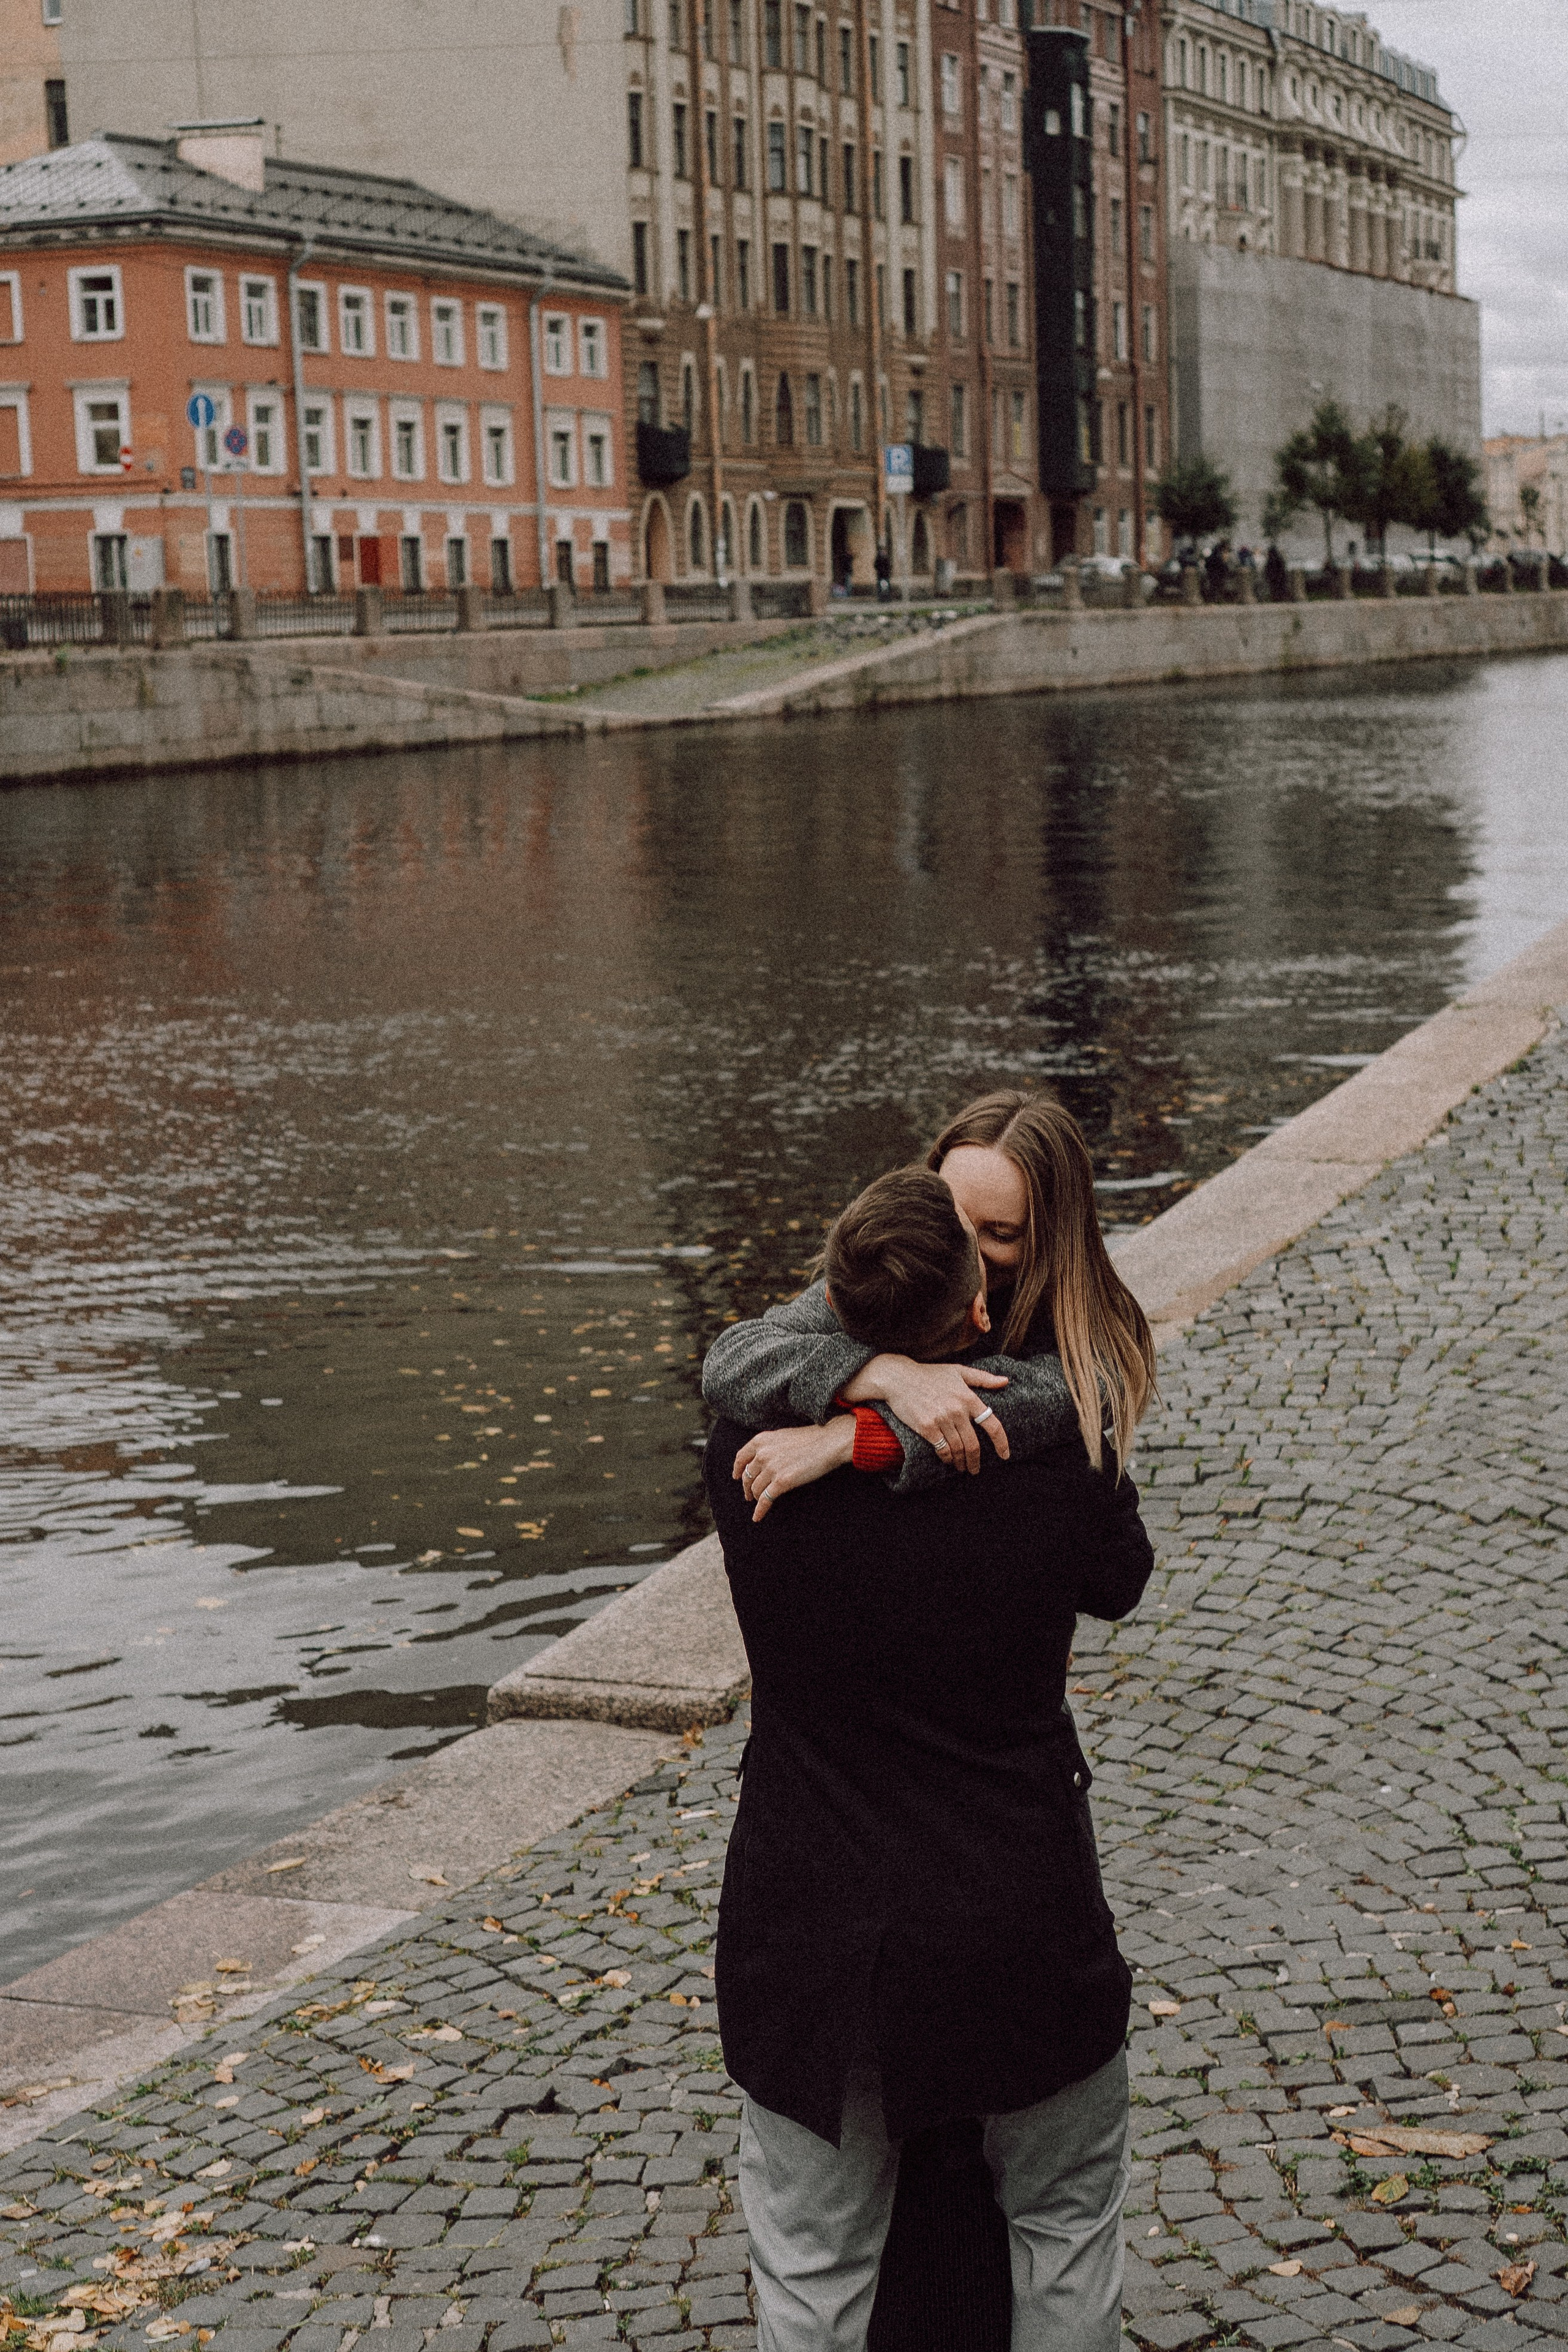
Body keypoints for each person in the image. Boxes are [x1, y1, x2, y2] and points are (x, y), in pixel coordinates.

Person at [705, 1159, 1156, 2352]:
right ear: (969, 1314)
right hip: (1013, 1906)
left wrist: (861, 1400)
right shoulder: (1045, 1455)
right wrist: (907, 1391)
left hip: (812, 1928)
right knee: (1061, 2224)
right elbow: (1116, 1564)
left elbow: (749, 1349)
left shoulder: (745, 1453)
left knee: (811, 2268)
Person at [703, 1088, 1155, 1512]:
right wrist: (882, 1375)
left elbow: (1071, 1392)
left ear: (1057, 1236)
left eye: (999, 1234)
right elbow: (731, 1360)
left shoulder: (1084, 1326)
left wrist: (852, 1436)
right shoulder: (902, 1266)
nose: (967, 1256)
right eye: (952, 1216)